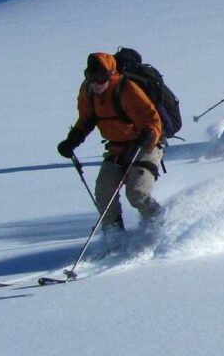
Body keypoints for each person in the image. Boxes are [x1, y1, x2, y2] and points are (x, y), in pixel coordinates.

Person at [57, 52, 164, 231]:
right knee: (104, 192)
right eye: (91, 77)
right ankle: (114, 237)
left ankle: (159, 227)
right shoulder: (87, 91)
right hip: (117, 149)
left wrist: (149, 134)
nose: (96, 83)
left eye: (101, 77)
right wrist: (73, 139)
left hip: (145, 146)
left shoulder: (127, 89)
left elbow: (151, 118)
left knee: (137, 193)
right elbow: (86, 119)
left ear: (111, 74)